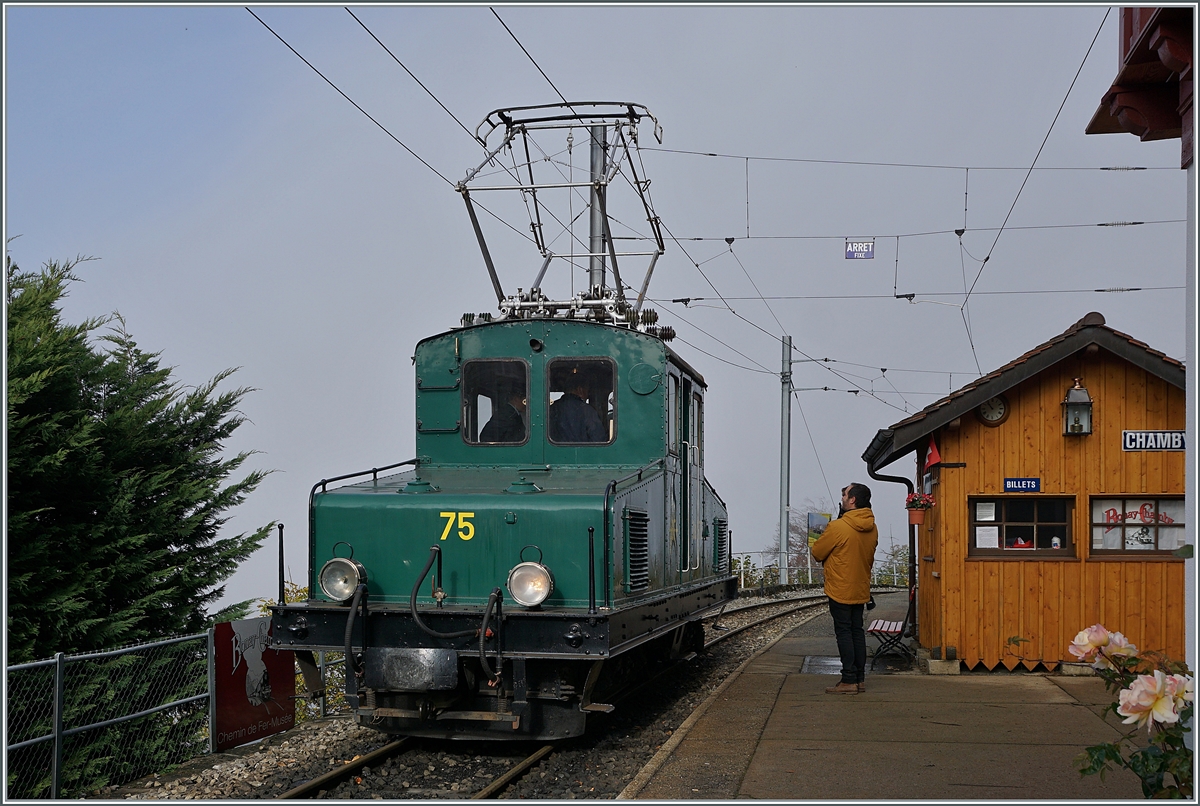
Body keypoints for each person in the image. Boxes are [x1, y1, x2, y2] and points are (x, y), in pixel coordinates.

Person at [811, 482, 879, 694]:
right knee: (857, 631)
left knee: (844, 633)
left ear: (852, 500)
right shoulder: (872, 527)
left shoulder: (838, 527)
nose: (842, 498)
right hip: (860, 588)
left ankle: (848, 680)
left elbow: (817, 552)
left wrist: (820, 533)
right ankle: (859, 679)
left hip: (840, 588)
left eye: (845, 495)